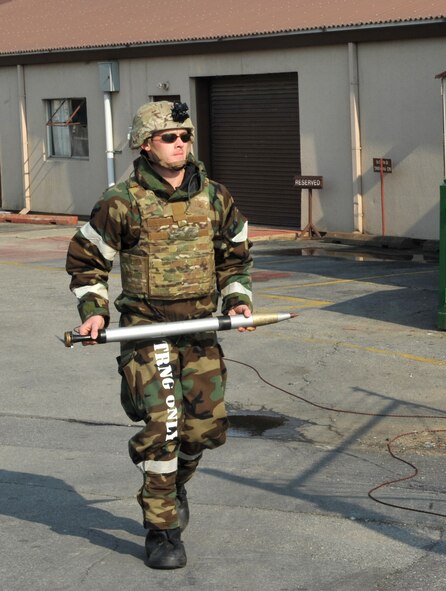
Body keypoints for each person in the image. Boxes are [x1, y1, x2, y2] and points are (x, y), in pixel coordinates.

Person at [66, 101, 254, 569]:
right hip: (146, 330)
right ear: (146, 144)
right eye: (170, 137)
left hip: (200, 330)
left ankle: (174, 484)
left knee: (202, 430)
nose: (181, 144)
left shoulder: (214, 196)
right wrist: (94, 311)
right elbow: (89, 260)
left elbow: (234, 256)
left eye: (186, 137)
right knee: (163, 427)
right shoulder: (121, 201)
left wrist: (236, 299)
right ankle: (163, 528)